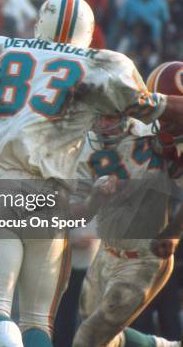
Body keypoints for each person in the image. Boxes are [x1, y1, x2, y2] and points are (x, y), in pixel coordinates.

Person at [0, 0, 183, 347]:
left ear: (40, 22)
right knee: (38, 322)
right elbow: (150, 106)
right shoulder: (103, 65)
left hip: (4, 183)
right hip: (53, 195)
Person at [71, 112, 181, 347]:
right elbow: (79, 214)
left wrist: (173, 232)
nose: (103, 125)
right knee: (100, 336)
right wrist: (95, 198)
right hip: (106, 252)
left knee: (87, 338)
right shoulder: (86, 146)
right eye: (99, 118)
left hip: (143, 258)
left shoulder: (153, 136)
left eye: (109, 118)